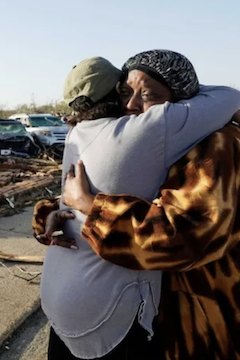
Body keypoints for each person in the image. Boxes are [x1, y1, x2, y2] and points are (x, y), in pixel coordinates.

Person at [33, 51, 240, 360]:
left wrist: (93, 208)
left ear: (183, 100)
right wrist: (55, 214)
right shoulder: (136, 134)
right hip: (148, 312)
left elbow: (182, 238)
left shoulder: (219, 146)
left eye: (150, 96)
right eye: (126, 92)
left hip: (194, 318)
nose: (130, 105)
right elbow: (108, 189)